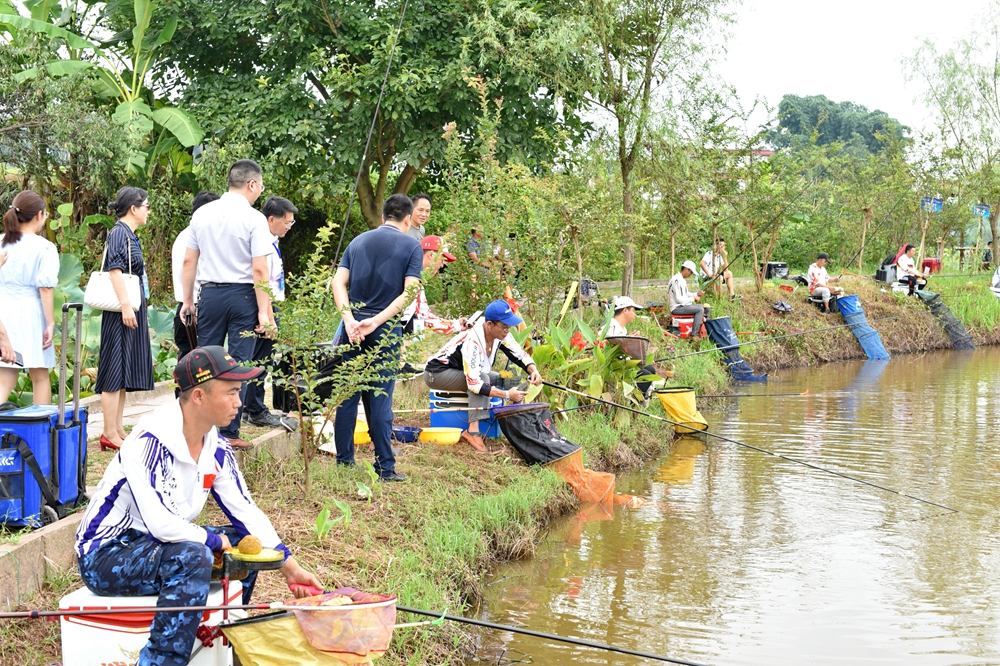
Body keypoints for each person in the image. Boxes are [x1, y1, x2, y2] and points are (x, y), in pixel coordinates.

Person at [75, 346, 322, 666]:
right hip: (106, 553)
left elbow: (246, 513)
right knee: (197, 554)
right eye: (231, 392)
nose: (239, 402)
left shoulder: (216, 448)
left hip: (158, 546)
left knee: (245, 545)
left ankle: (222, 640)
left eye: (239, 392)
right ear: (199, 397)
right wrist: (213, 540)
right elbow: (161, 524)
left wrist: (290, 568)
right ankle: (160, 661)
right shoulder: (149, 441)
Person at [181, 160, 274, 449]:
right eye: (260, 186)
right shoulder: (254, 217)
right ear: (251, 185)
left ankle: (199, 430)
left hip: (209, 295)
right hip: (244, 296)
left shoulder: (202, 214)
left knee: (205, 362)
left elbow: (188, 261)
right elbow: (260, 270)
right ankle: (229, 432)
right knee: (239, 362)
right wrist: (264, 311)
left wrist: (187, 300)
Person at [331, 194, 423, 482]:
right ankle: (385, 466)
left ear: (384, 217)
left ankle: (344, 462)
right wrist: (377, 321)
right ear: (407, 219)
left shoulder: (357, 241)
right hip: (382, 330)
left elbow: (338, 282)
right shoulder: (412, 246)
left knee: (347, 395)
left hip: (352, 327)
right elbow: (410, 292)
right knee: (381, 396)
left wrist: (349, 320)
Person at [423, 299, 542, 452]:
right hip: (437, 374)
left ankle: (513, 422)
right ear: (490, 324)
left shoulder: (500, 333)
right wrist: (506, 395)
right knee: (484, 380)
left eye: (509, 327)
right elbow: (474, 383)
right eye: (504, 327)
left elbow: (518, 353)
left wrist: (533, 370)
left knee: (503, 379)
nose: (507, 331)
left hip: (460, 373)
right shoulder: (472, 341)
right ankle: (473, 431)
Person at [94, 187, 155, 450]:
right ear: (134, 208)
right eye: (146, 206)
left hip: (128, 309)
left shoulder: (129, 234)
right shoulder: (120, 232)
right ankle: (108, 431)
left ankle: (117, 428)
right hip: (121, 311)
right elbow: (115, 271)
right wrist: (126, 307)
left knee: (122, 372)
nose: (148, 210)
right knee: (113, 371)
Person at [243, 196, 299, 431]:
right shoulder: (261, 242)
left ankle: (250, 406)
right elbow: (263, 280)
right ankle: (254, 409)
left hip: (269, 305)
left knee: (259, 359)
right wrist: (268, 317)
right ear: (271, 219)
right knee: (259, 360)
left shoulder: (272, 241)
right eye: (287, 222)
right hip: (263, 307)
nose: (288, 226)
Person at [0, 190, 58, 405]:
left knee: (5, 378)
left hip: (3, 313)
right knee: (40, 377)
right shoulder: (44, 247)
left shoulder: (1, 242)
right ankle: (40, 433)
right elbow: (45, 288)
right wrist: (50, 322)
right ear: (39, 215)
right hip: (31, 312)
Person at [171, 191, 220, 395]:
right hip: (194, 306)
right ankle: (187, 402)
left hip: (184, 306)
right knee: (197, 360)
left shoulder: (183, 235)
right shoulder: (197, 236)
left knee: (187, 357)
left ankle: (182, 400)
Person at [401, 235, 466, 335]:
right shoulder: (405, 277)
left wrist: (456, 325)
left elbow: (424, 315)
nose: (442, 265)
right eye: (442, 259)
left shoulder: (418, 281)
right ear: (431, 255)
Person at [605, 296, 661, 398]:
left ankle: (641, 398)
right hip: (615, 368)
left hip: (624, 364)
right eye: (633, 311)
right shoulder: (610, 328)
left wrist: (629, 340)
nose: (634, 314)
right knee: (645, 374)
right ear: (625, 310)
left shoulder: (623, 329)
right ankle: (631, 400)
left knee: (650, 370)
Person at [668, 260, 705, 335]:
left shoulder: (682, 280)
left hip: (682, 306)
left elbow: (686, 294)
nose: (690, 274)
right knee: (700, 310)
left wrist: (696, 294)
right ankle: (694, 334)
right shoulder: (676, 280)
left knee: (705, 308)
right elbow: (679, 299)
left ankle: (703, 329)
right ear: (686, 269)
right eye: (690, 272)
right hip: (677, 308)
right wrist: (693, 299)